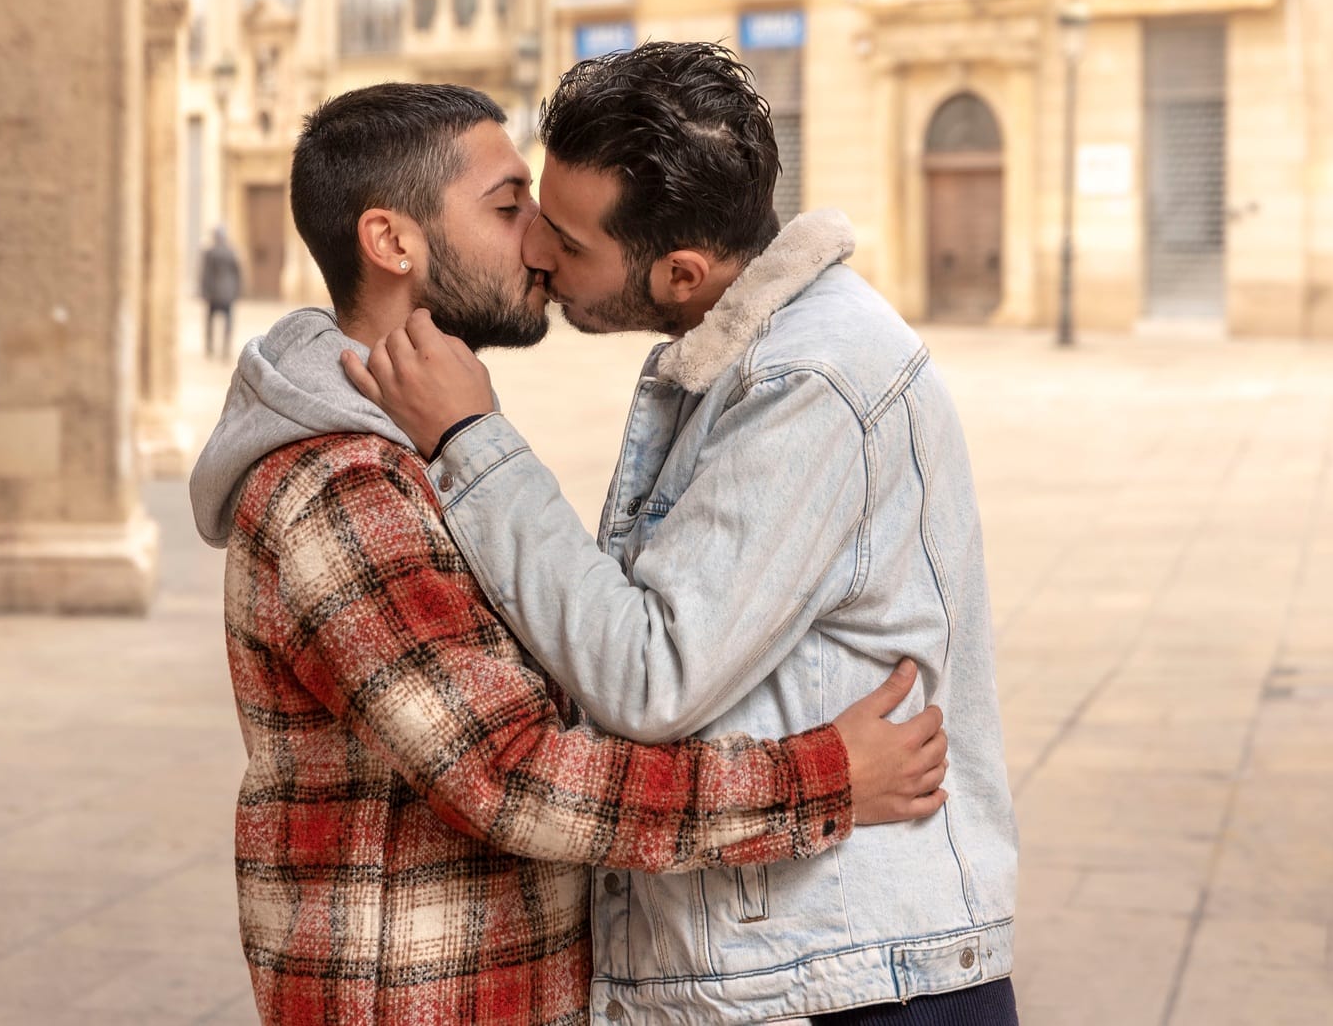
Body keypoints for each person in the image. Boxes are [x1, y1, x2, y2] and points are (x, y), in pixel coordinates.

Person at [187, 82, 954, 1026]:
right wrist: (821, 778)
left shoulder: (413, 447)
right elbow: (516, 775)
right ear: (392, 242)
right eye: (510, 209)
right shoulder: (341, 485)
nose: (538, 246)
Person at [199, 225, 243, 357]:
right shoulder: (231, 252)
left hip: (213, 293)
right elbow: (238, 273)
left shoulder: (210, 252)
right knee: (228, 321)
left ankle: (210, 348)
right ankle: (226, 348)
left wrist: (204, 291)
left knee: (210, 321)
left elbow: (205, 273)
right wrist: (237, 290)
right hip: (228, 293)